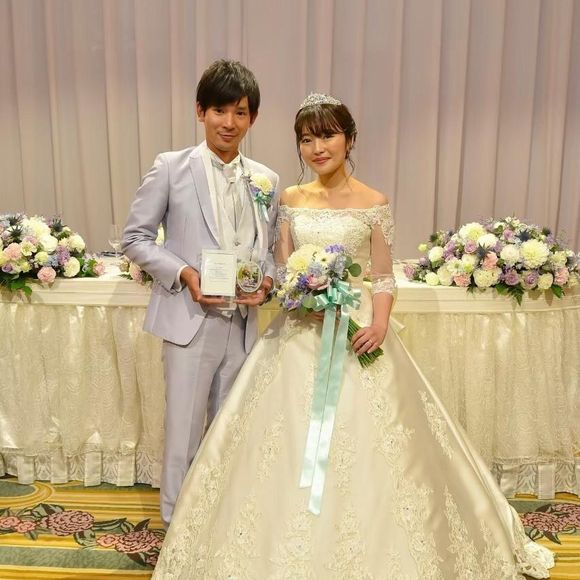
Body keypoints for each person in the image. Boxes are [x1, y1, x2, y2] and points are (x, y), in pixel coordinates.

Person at [150, 94, 554, 578]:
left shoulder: (373, 203)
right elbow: (281, 267)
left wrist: (379, 323)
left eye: (327, 136)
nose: (317, 148)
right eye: (307, 139)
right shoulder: (289, 200)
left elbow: (382, 277)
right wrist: (295, 290)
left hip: (358, 331)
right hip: (299, 331)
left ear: (349, 139)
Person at [121, 60, 279, 528]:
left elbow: (270, 251)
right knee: (184, 433)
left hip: (243, 325)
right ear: (200, 111)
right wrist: (185, 273)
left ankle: (217, 527)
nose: (229, 122)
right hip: (190, 322)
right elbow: (136, 239)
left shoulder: (266, 180)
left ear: (252, 118)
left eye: (240, 112)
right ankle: (175, 528)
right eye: (219, 111)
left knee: (230, 432)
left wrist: (267, 282)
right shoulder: (171, 167)